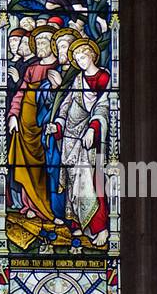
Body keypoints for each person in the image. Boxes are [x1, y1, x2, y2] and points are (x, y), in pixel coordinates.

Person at [47, 38, 110, 248]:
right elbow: (67, 104)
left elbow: (103, 106)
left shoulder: (103, 78)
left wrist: (93, 128)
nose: (80, 62)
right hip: (70, 139)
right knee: (73, 182)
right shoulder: (78, 80)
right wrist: (57, 124)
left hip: (89, 140)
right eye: (77, 59)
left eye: (83, 57)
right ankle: (76, 221)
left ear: (91, 55)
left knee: (91, 182)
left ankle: (99, 227)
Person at [7, 25, 62, 232]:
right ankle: (28, 204)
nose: (39, 46)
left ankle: (44, 207)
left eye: (43, 42)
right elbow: (20, 93)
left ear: (52, 45)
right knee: (24, 164)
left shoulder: (58, 69)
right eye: (37, 42)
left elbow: (59, 98)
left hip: (43, 123)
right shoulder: (31, 69)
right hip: (24, 123)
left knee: (43, 168)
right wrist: (13, 115)